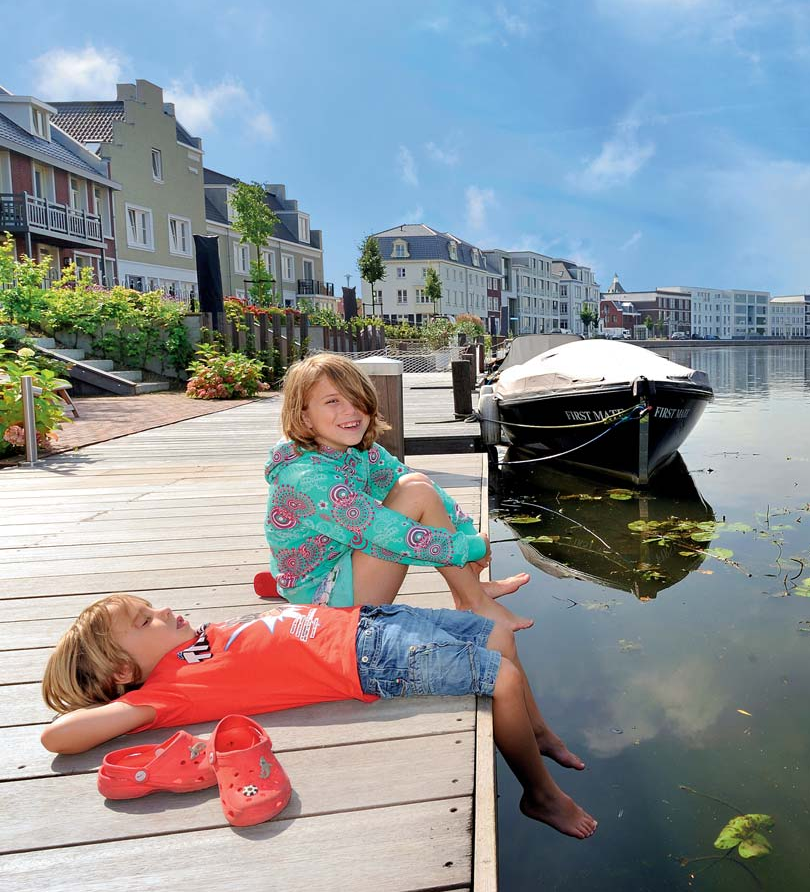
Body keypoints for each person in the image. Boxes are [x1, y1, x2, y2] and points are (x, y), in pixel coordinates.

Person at [40, 594, 597, 839]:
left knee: (497, 634)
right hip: (369, 659)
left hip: (370, 621)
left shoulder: (190, 643)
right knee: (502, 677)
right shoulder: (166, 691)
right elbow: (58, 737)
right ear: (119, 671)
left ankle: (537, 731)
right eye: (145, 620)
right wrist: (115, 708)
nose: (161, 609)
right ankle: (539, 795)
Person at [264, 353, 531, 631]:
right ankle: (476, 602)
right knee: (416, 499)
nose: (351, 410)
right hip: (326, 605)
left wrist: (466, 532)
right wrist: (469, 548)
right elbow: (394, 536)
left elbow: (418, 485)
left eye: (357, 399)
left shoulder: (356, 452)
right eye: (333, 401)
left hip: (344, 566)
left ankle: (468, 591)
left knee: (416, 485)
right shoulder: (306, 477)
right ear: (304, 416)